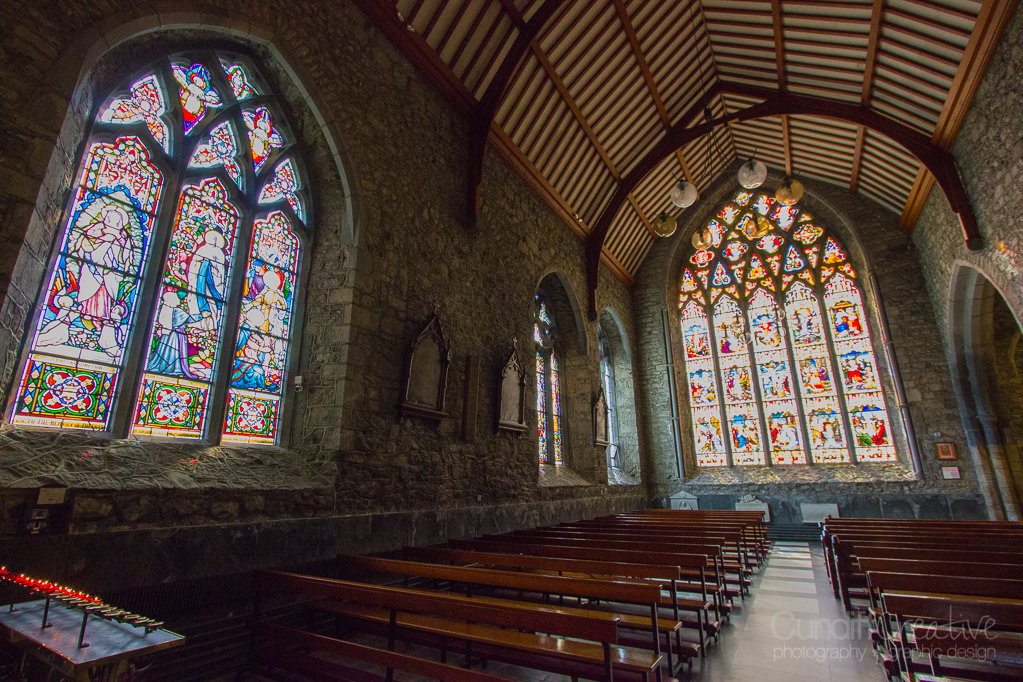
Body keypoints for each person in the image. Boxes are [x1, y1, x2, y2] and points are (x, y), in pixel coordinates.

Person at [186, 229, 227, 316]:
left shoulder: (218, 252)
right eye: (209, 238)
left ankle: (214, 311)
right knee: (200, 290)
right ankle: (201, 309)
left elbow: (220, 267)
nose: (210, 240)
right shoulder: (202, 249)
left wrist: (211, 262)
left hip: (212, 275)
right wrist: (201, 261)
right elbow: (195, 260)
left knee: (212, 293)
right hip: (200, 274)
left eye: (213, 238)